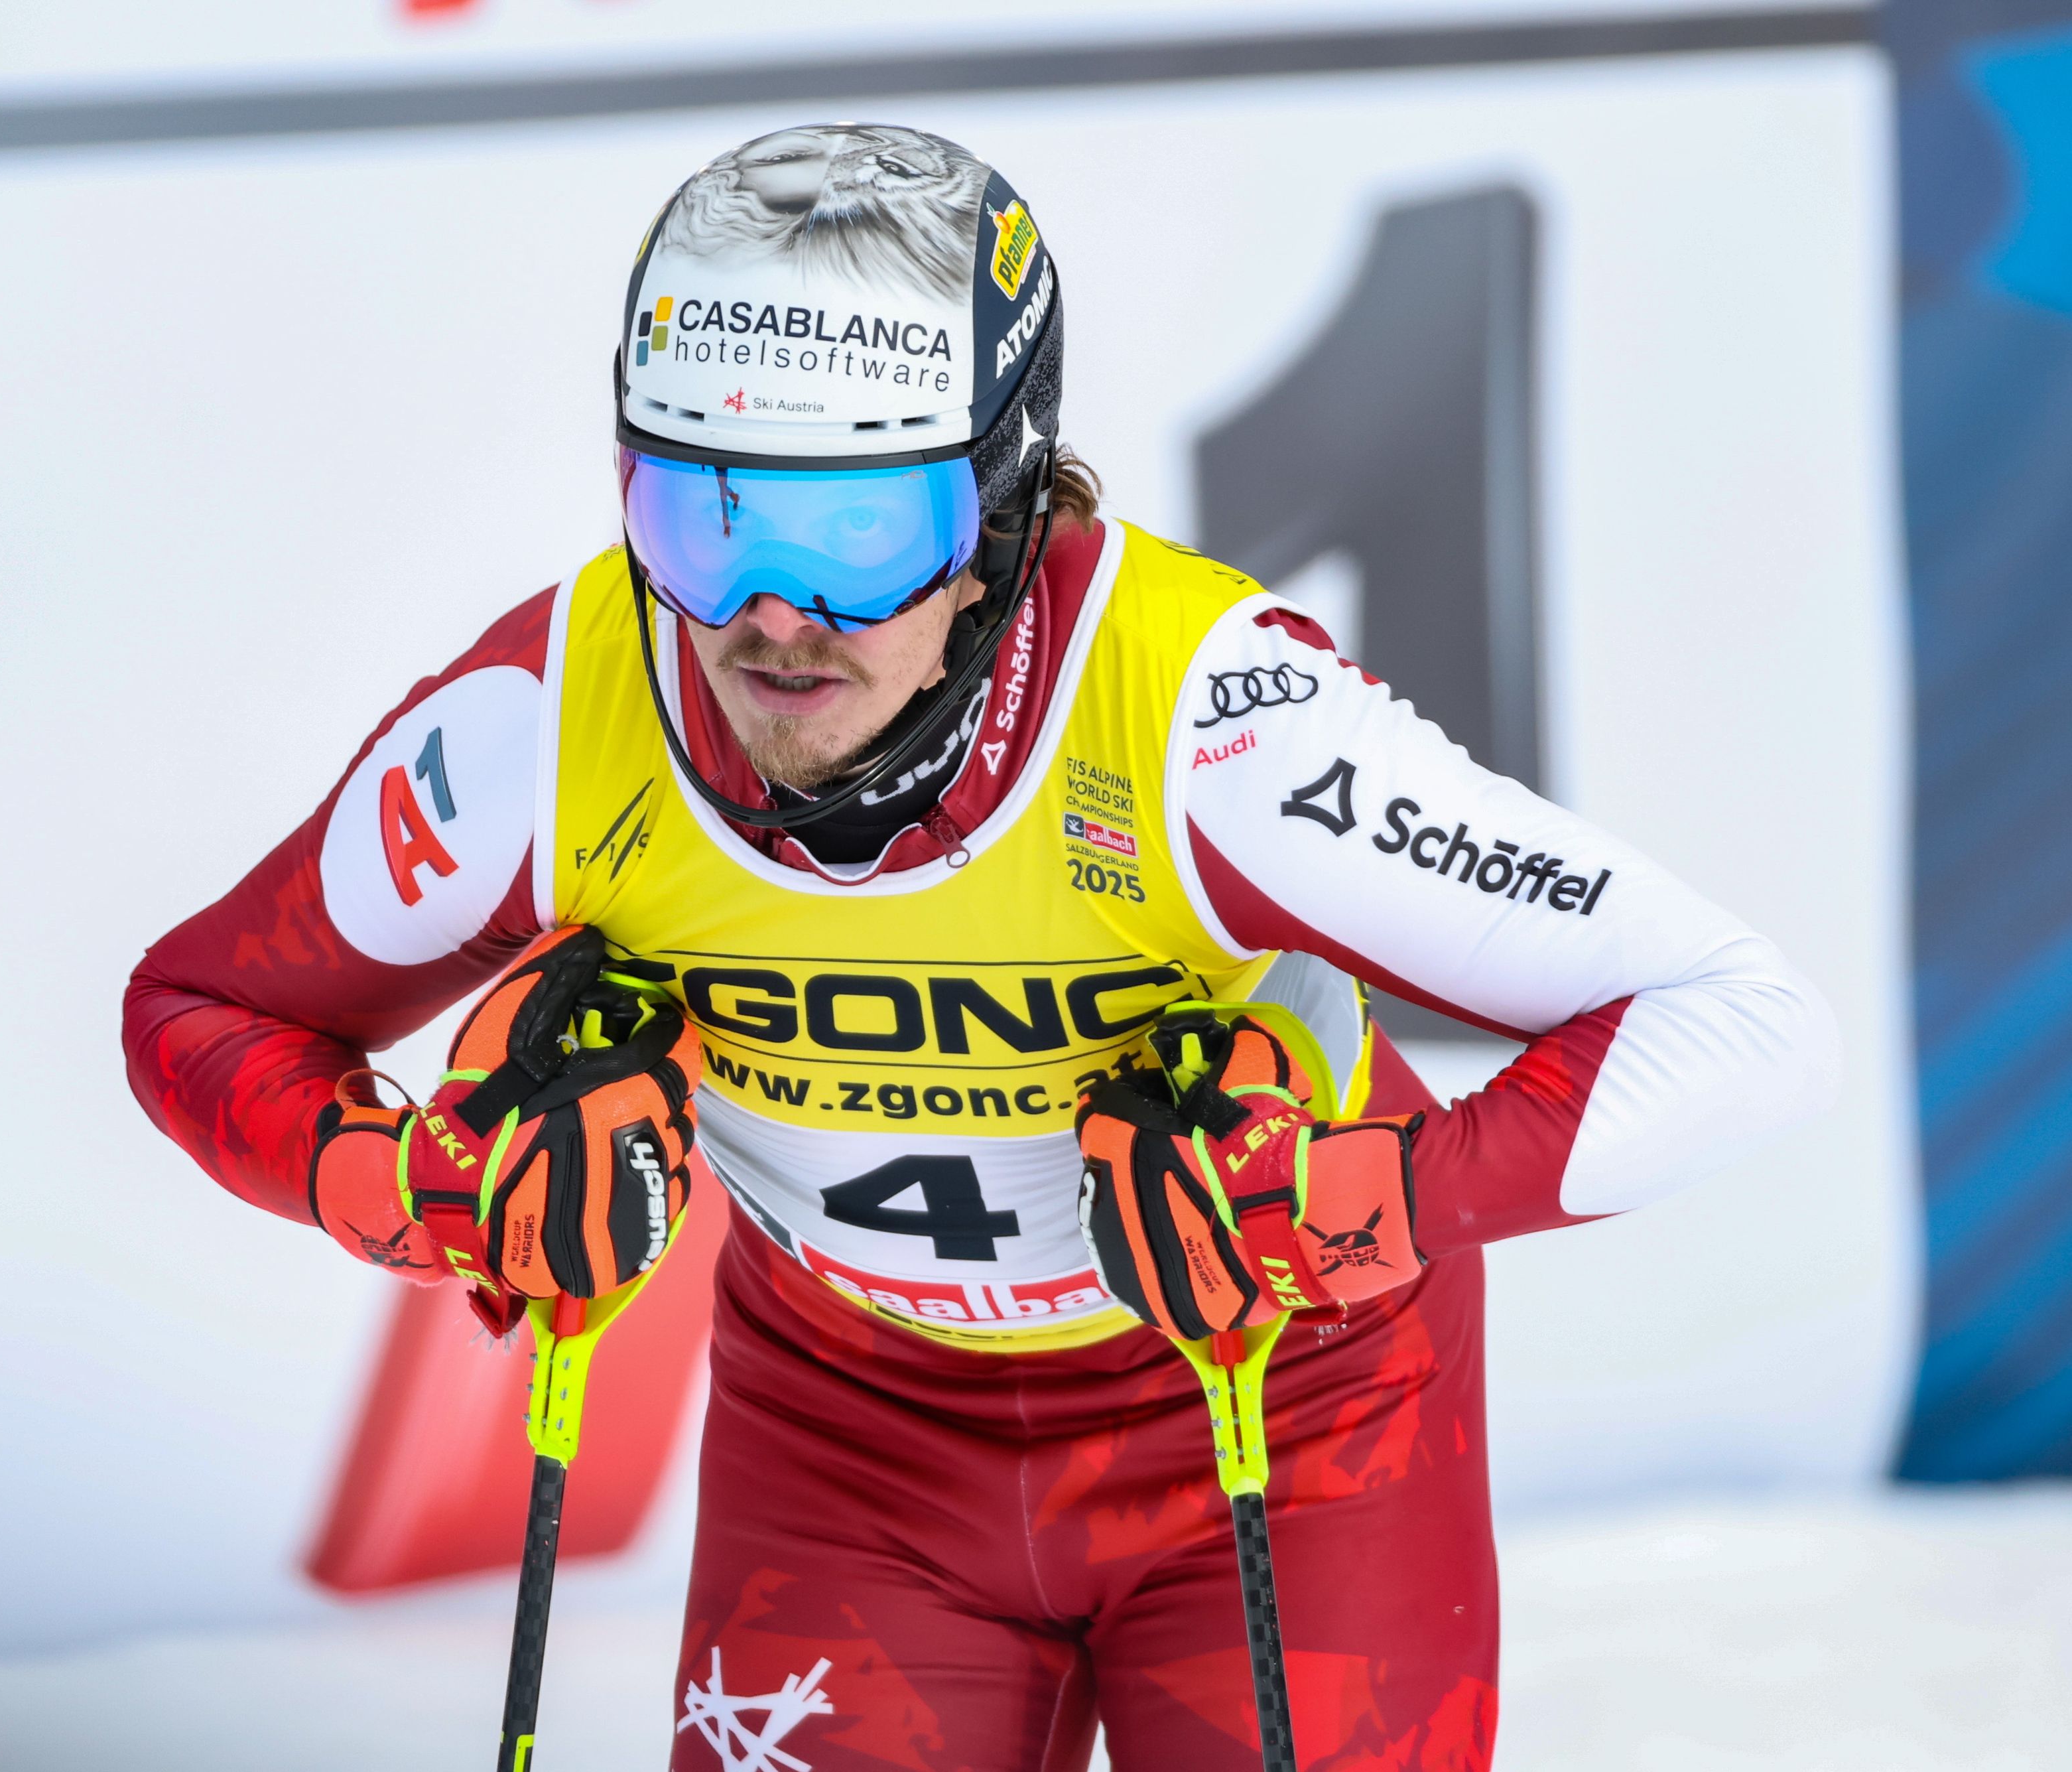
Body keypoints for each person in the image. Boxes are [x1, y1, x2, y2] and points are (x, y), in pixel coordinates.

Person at [121, 123, 1835, 1770]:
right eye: (704, 521)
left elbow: (1744, 1019)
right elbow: (195, 1006)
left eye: (861, 537)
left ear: (1000, 517)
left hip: (1278, 1412)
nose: (771, 617)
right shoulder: (553, 715)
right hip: (850, 1444)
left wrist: (1363, 1204)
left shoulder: (1206, 721)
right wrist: (420, 1191)